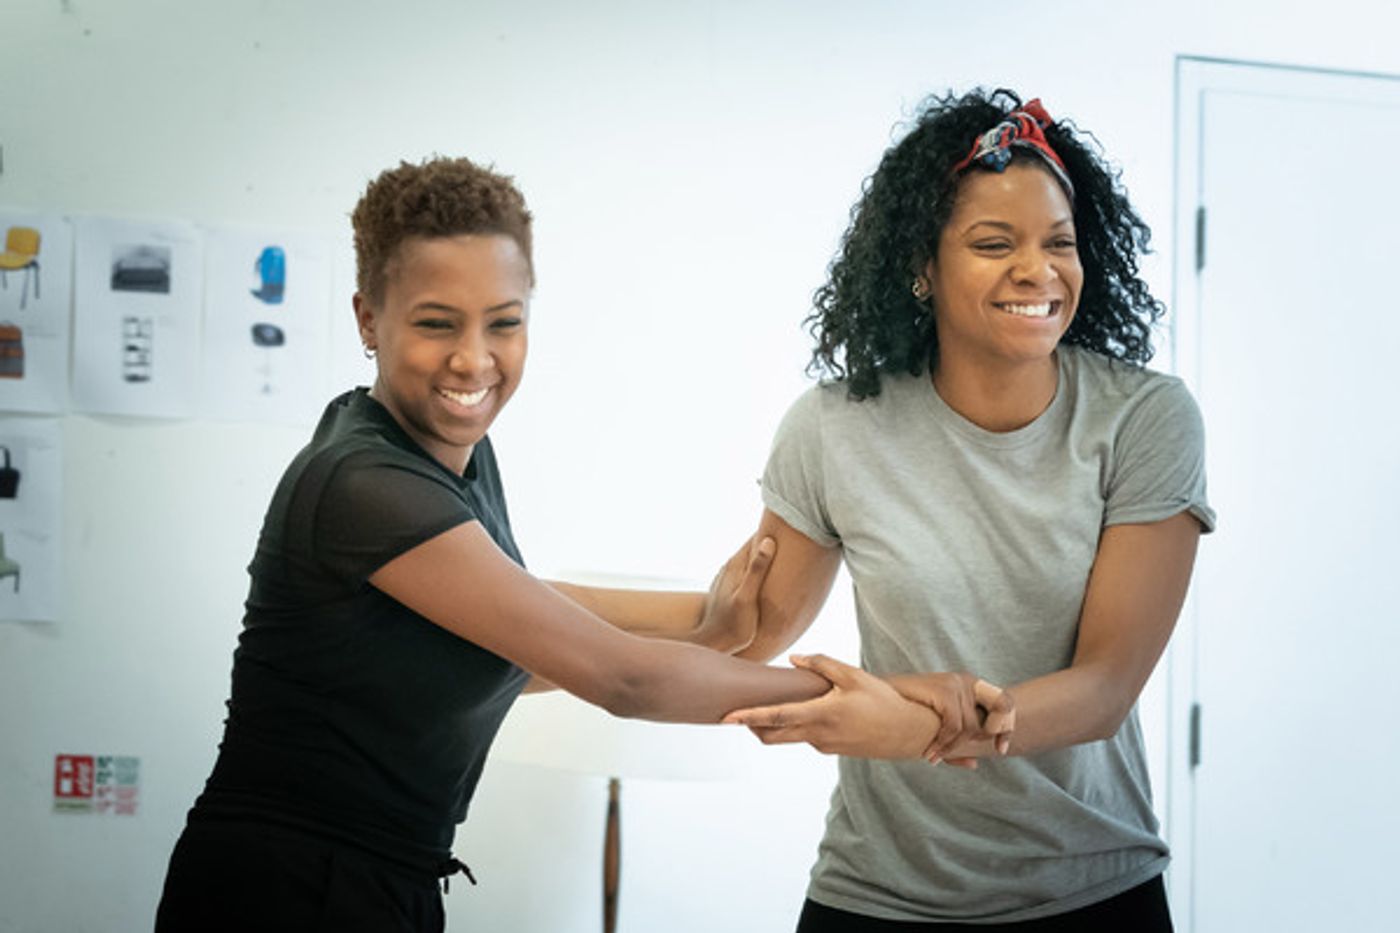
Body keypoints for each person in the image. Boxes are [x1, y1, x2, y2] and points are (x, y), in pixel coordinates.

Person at [153, 157, 845, 933]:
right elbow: (624, 679)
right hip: (286, 887)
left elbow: (515, 626)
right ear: (367, 319)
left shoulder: (458, 457)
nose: (474, 359)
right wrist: (870, 702)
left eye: (504, 322)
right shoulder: (362, 484)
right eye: (436, 322)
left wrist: (706, 625)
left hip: (382, 880)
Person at [721, 89, 1214, 931]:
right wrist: (536, 615)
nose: (1038, 270)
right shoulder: (835, 426)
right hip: (876, 894)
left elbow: (1103, 689)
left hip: (1091, 888)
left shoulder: (1144, 417)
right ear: (923, 265)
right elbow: (746, 630)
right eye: (994, 243)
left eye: (1060, 242)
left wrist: (910, 725)